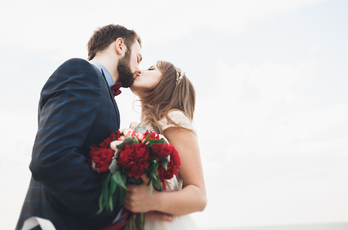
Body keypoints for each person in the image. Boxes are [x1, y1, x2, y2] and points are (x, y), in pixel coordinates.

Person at [16, 24, 171, 230]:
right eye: (138, 58)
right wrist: (115, 212)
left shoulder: (99, 88)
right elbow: (52, 158)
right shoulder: (81, 72)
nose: (138, 67)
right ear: (120, 46)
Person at [124, 61, 207, 229]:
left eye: (152, 68)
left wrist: (153, 200)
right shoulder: (138, 128)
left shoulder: (172, 118)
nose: (139, 70)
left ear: (167, 83)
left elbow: (199, 196)